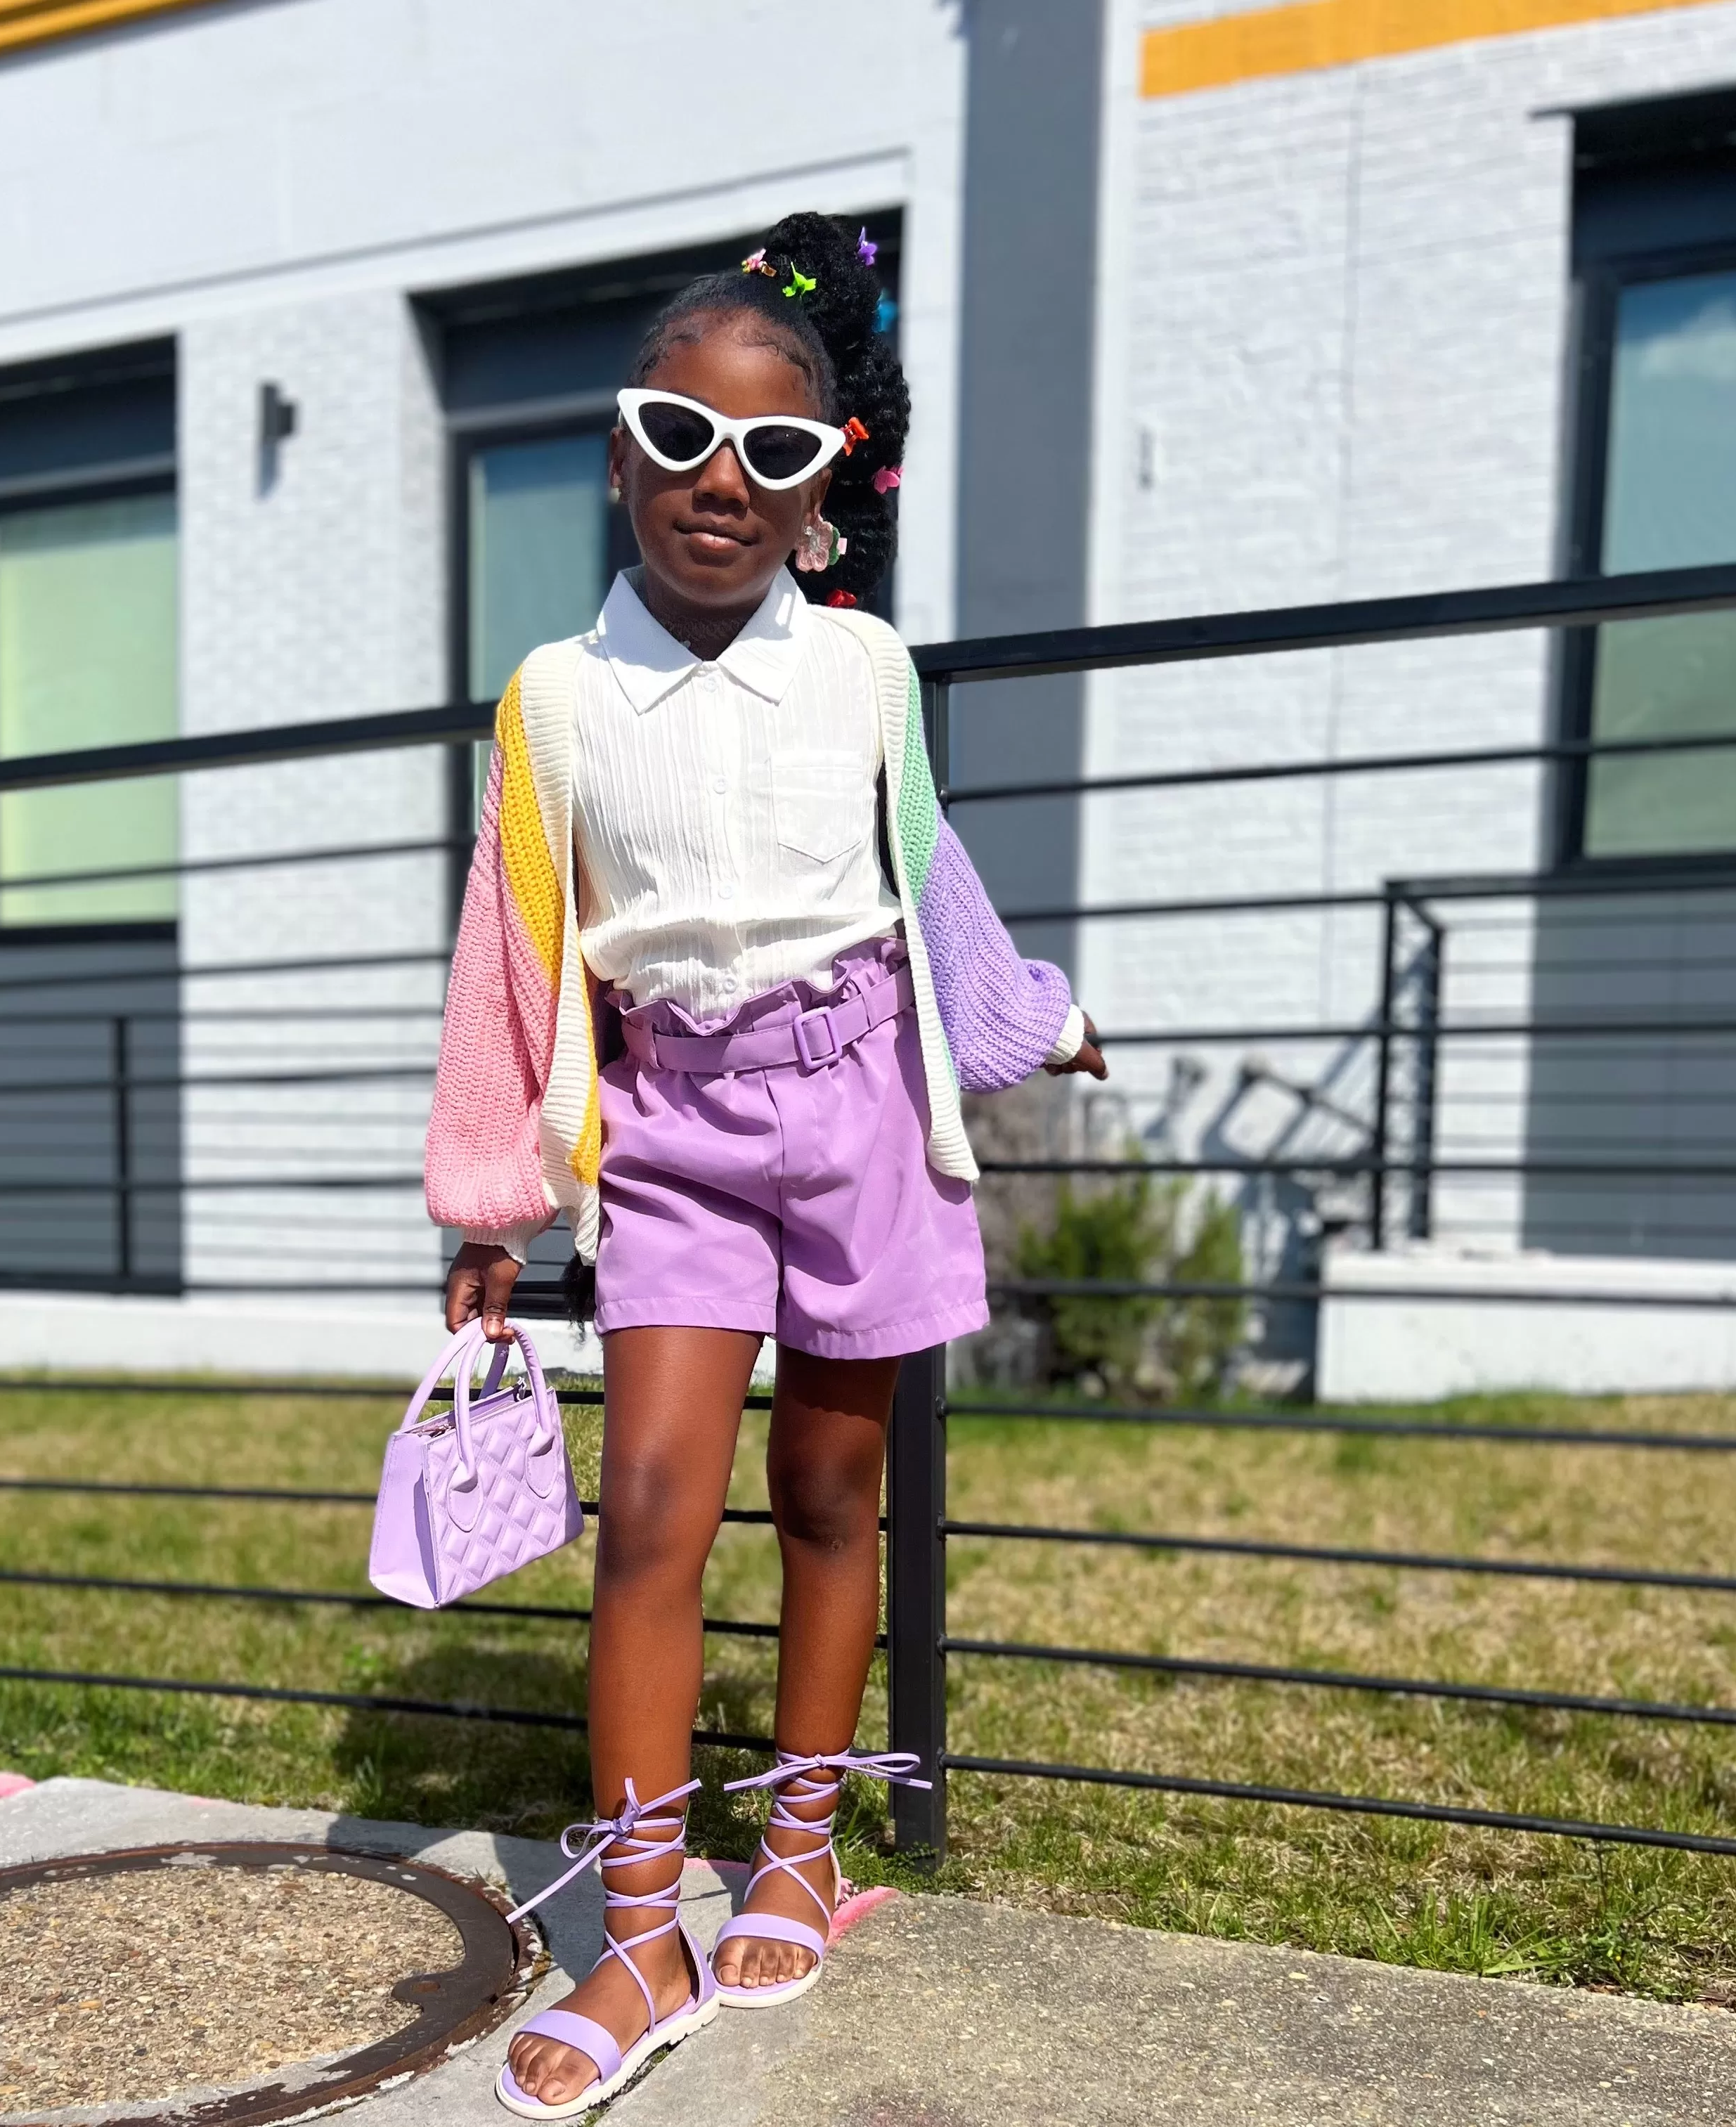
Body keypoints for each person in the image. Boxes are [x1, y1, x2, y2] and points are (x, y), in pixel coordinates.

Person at [424, 211, 1107, 2120]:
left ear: (827, 489)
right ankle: (640, 1930)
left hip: (861, 1104)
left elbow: (925, 882)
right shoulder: (556, 703)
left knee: (828, 1488)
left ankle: (800, 1839)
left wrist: (1031, 1018)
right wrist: (489, 1204)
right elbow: (515, 940)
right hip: (675, 1133)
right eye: (682, 434)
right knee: (647, 1506)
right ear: (628, 452)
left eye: (778, 453)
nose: (723, 484)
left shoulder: (868, 676)